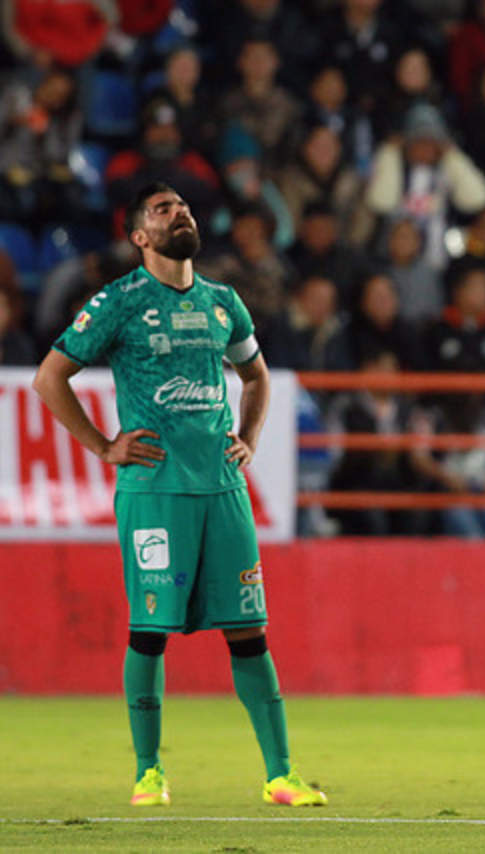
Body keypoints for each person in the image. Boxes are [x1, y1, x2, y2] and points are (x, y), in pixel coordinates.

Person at [31, 182, 326, 808]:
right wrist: (103, 446)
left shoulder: (223, 302)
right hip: (155, 491)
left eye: (183, 206)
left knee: (249, 630)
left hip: (223, 489)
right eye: (163, 210)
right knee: (150, 631)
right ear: (140, 236)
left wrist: (248, 436)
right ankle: (148, 772)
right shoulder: (119, 302)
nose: (180, 213)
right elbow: (50, 377)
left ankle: (280, 775)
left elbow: (256, 376)